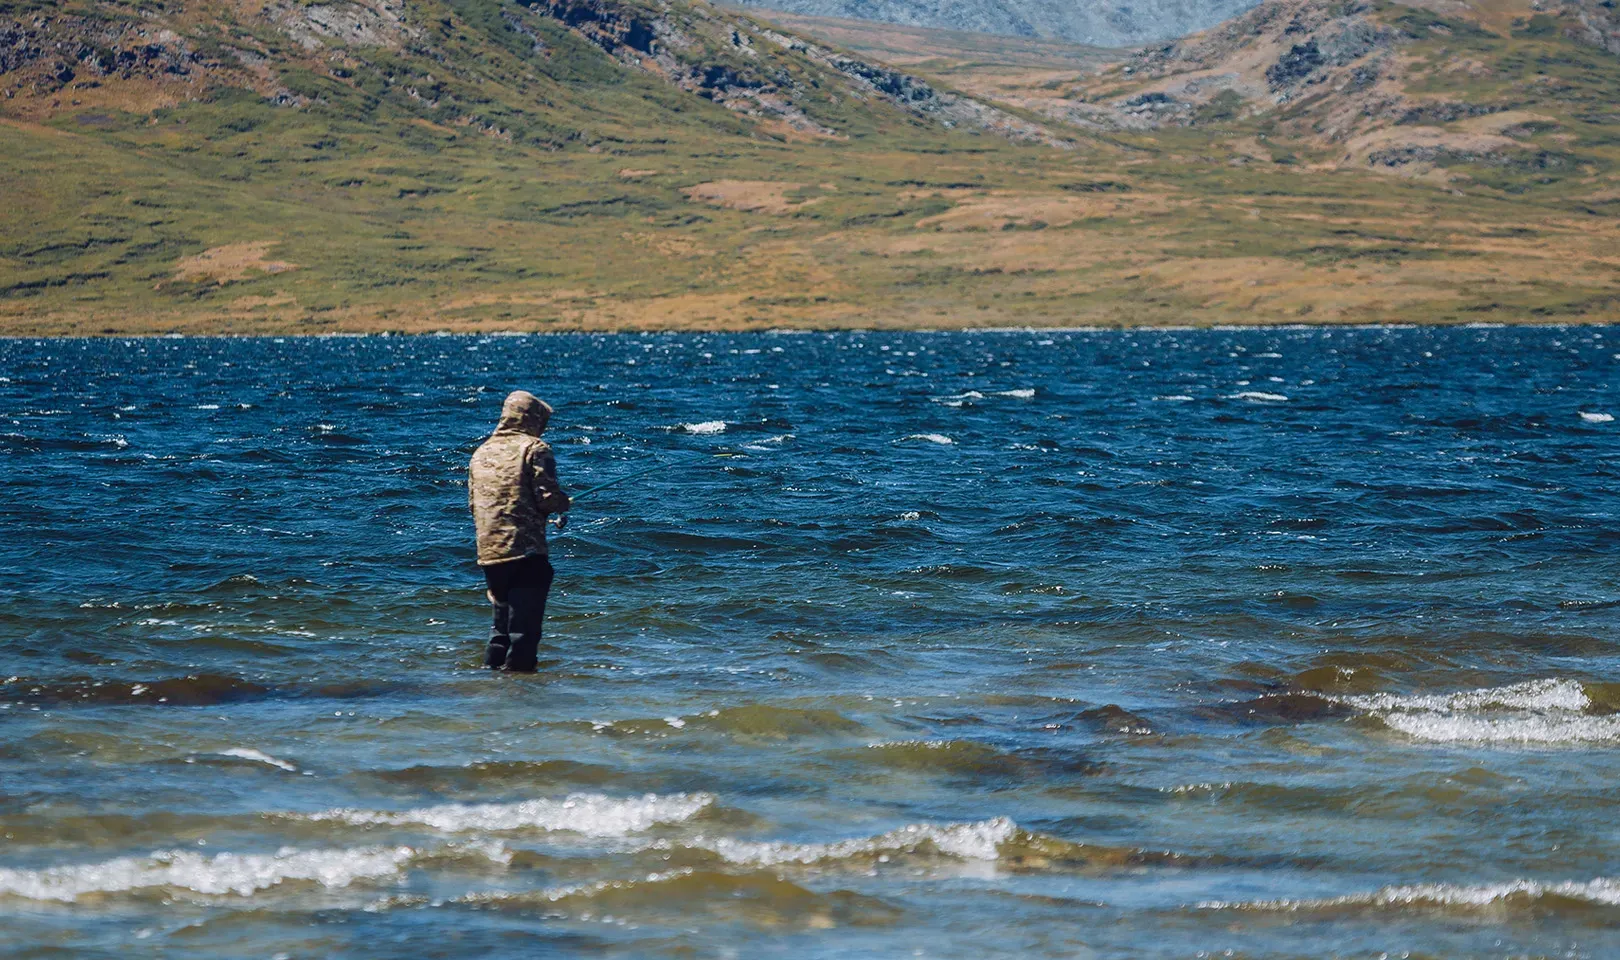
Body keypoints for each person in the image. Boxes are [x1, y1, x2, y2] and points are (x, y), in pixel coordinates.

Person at [468, 390, 570, 672]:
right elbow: (547, 499)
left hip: (490, 553)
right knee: (524, 633)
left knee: (501, 629)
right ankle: (519, 698)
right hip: (526, 552)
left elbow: (473, 503)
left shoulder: (481, 452)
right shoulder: (535, 449)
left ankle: (490, 685)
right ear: (532, 418)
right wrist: (565, 503)